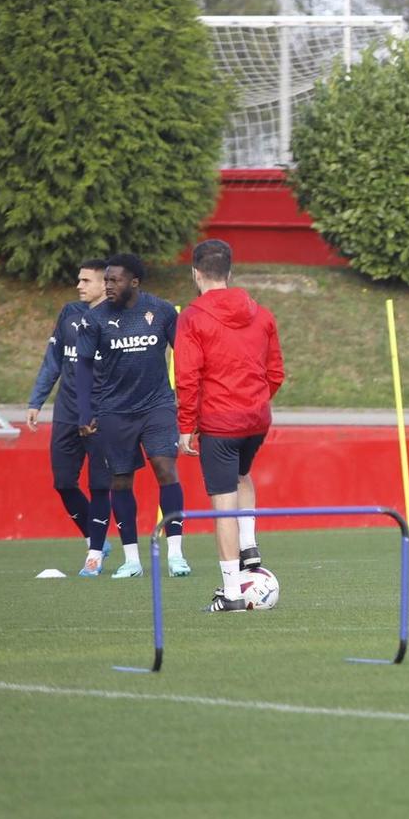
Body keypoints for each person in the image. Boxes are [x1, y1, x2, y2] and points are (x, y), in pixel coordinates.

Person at [175, 239, 286, 614]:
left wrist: (186, 425)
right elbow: (276, 373)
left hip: (220, 422)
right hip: (256, 419)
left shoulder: (192, 317)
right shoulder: (263, 313)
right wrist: (254, 400)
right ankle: (249, 546)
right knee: (242, 474)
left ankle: (232, 591)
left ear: (196, 273)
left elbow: (187, 376)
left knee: (223, 504)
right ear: (230, 272)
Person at [73, 253, 185, 580]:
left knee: (165, 469)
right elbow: (82, 367)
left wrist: (191, 400)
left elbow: (185, 353)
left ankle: (176, 554)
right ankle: (131, 559)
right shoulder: (94, 319)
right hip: (114, 411)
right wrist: (85, 411)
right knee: (120, 481)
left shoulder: (162, 311)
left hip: (157, 406)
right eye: (106, 280)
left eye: (115, 280)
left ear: (134, 282)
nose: (108, 285)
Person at [25, 258, 113, 574]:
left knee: (100, 486)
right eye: (79, 280)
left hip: (101, 416)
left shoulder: (117, 320)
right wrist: (36, 401)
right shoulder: (69, 314)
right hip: (66, 412)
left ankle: (94, 555)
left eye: (86, 281)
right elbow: (53, 361)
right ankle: (96, 538)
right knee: (63, 482)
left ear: (105, 284)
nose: (79, 285)